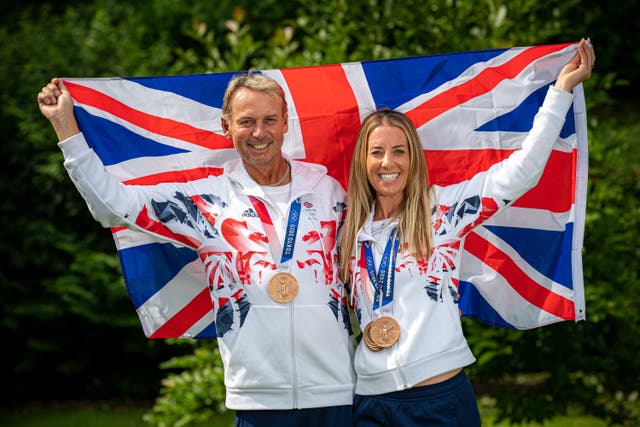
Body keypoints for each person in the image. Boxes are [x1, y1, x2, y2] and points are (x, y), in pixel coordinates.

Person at [38, 73, 356, 427]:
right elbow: (112, 207)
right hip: (258, 399)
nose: (259, 133)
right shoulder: (206, 200)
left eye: (269, 120)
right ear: (227, 126)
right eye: (246, 122)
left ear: (285, 122)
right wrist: (66, 128)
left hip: (337, 392)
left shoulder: (330, 192)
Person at [339, 39, 595, 426]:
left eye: (399, 151)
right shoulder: (345, 228)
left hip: (439, 401)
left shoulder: (443, 211)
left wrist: (559, 92)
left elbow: (521, 173)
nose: (387, 162)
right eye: (376, 152)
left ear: (413, 160)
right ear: (363, 161)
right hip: (370, 402)